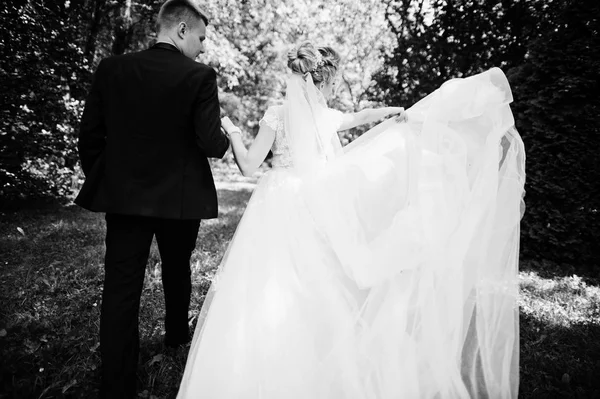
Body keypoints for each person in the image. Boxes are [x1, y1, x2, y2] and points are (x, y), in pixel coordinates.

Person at [177, 41, 525, 398]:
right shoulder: (326, 117)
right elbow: (366, 116)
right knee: (322, 279)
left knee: (266, 279)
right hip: (316, 204)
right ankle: (321, 355)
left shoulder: (275, 114)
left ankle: (257, 358)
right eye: (332, 83)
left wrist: (233, 131)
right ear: (322, 82)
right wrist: (400, 111)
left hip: (276, 201)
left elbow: (249, 165)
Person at [75, 0, 230, 397]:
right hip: (179, 200)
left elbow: (90, 136)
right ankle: (176, 337)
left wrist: (110, 178)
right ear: (181, 30)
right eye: (200, 38)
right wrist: (229, 135)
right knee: (177, 269)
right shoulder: (200, 77)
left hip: (125, 197)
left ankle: (117, 380)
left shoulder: (113, 69)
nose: (202, 47)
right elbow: (211, 144)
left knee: (121, 284)